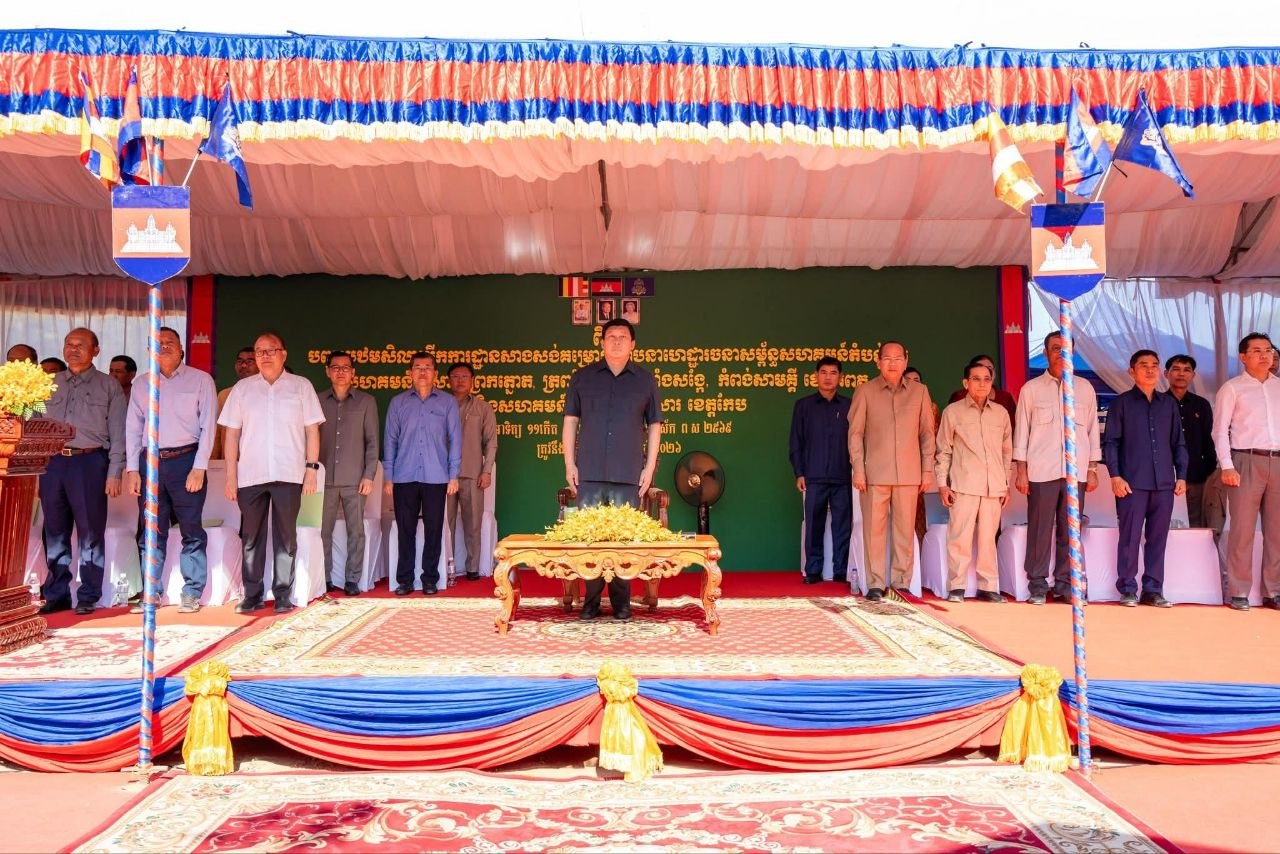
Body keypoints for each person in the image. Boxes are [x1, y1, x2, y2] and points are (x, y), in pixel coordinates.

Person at [563, 318, 662, 620]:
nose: (616, 341)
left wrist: (649, 467)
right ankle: (590, 602)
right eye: (611, 337)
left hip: (628, 472)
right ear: (602, 342)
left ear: (633, 344)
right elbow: (570, 421)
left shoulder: (645, 380)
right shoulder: (583, 378)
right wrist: (569, 464)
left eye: (622, 337)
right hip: (589, 472)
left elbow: (655, 425)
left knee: (624, 540)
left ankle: (621, 603)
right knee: (590, 540)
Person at [218, 332, 324, 615]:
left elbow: (312, 430)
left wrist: (311, 469)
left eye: (270, 350)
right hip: (250, 475)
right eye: (259, 351)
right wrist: (231, 476)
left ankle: (282, 595)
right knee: (251, 537)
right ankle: (252, 595)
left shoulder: (301, 386)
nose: (264, 356)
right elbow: (231, 434)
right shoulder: (242, 389)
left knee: (285, 538)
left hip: (289, 473)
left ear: (283, 354)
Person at [123, 327, 218, 613]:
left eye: (170, 343)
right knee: (152, 531)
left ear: (181, 349)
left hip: (186, 460)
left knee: (191, 529)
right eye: (158, 343)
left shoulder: (201, 380)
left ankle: (191, 592)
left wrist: (199, 467)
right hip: (149, 463)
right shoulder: (141, 384)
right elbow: (133, 428)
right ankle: (151, 592)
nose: (164, 347)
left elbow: (208, 427)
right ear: (149, 350)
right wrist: (132, 469)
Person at [37, 328, 126, 615]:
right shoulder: (47, 384)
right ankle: (57, 593)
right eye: (69, 344)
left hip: (89, 462)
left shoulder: (109, 386)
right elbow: (31, 422)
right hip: (52, 463)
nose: (73, 349)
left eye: (80, 345)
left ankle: (88, 594)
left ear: (95, 350)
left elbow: (119, 433)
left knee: (90, 531)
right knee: (55, 530)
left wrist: (114, 471)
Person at [1013, 332, 1101, 605]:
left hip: (1076, 472)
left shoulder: (1085, 388)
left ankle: (1065, 584)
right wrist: (1021, 470)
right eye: (1055, 348)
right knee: (1040, 529)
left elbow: (1092, 431)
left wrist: (1092, 469)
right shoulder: (1031, 389)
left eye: (1066, 349)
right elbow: (1022, 433)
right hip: (1042, 471)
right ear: (1046, 353)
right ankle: (1038, 585)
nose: (1061, 354)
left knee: (1069, 530)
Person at [847, 341, 935, 601]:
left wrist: (927, 470)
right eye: (887, 358)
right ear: (878, 362)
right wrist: (858, 469)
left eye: (898, 358)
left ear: (906, 361)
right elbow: (855, 434)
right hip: (874, 474)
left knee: (904, 532)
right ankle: (874, 584)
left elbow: (927, 434)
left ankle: (901, 584)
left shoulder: (919, 392)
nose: (893, 363)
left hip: (909, 473)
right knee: (873, 531)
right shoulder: (865, 391)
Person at [1103, 350, 1188, 608]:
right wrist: (1115, 476)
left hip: (1164, 483)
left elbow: (1178, 442)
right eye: (1143, 365)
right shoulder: (1121, 403)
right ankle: (1128, 588)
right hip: (1132, 482)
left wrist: (1182, 475)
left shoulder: (1168, 404)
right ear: (1132, 371)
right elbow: (1111, 443)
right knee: (1129, 537)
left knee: (1158, 539)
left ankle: (1152, 589)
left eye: (1154, 365)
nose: (1150, 370)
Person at [1212, 332, 1280, 611]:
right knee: (1242, 529)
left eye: (1269, 350)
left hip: (1278, 461)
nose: (1265, 355)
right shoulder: (1232, 388)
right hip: (1245, 460)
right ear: (1243, 357)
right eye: (1257, 351)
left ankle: (1273, 590)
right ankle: (1239, 591)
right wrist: (1227, 465)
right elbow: (1219, 431)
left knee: (1277, 531)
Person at [383, 352, 461, 596]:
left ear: (435, 373)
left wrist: (453, 475)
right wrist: (388, 476)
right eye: (418, 367)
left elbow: (455, 439)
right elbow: (390, 440)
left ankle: (430, 579)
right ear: (410, 373)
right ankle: (405, 580)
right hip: (404, 476)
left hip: (436, 476)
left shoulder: (448, 402)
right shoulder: (398, 403)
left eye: (428, 367)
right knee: (405, 529)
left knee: (434, 529)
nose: (423, 371)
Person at [934, 361, 1011, 603]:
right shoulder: (953, 412)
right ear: (965, 383)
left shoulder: (1001, 413)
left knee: (988, 541)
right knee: (959, 539)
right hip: (963, 485)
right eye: (976, 379)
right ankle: (956, 587)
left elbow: (1006, 452)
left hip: (993, 487)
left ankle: (988, 587)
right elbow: (943, 451)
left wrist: (1006, 484)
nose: (982, 384)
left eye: (986, 379)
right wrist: (942, 484)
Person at [318, 351, 379, 597]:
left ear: (353, 372)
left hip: (355, 479)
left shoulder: (366, 402)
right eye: (335, 367)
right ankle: (324, 578)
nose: (341, 372)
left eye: (346, 367)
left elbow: (372, 442)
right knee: (322, 531)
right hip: (324, 480)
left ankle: (352, 579)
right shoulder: (317, 401)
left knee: (356, 531)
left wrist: (369, 475)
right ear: (327, 371)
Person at [789, 356, 853, 585]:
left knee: (842, 526)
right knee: (814, 525)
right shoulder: (803, 406)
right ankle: (813, 571)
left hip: (842, 476)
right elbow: (796, 442)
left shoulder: (849, 406)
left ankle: (841, 570)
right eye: (823, 372)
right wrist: (799, 472)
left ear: (840, 377)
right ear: (816, 376)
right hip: (813, 476)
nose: (828, 377)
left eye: (833, 373)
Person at [446, 362, 497, 581]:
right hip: (443, 475)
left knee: (473, 523)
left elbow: (491, 443)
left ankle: (473, 567)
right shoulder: (440, 405)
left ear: (472, 381)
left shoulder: (483, 408)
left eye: (464, 377)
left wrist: (487, 471)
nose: (460, 381)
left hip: (472, 473)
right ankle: (445, 566)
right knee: (444, 523)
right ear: (448, 380)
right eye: (455, 377)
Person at [1164, 354, 1216, 529]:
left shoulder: (1201, 405)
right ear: (1166, 373)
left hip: (1195, 474)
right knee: (1163, 521)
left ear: (1193, 375)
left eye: (1187, 370)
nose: (1181, 374)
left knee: (1195, 522)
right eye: (1176, 369)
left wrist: (1208, 470)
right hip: (1164, 474)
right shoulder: (1158, 403)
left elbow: (1208, 439)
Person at [211, 346, 260, 460]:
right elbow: (217, 432)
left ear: (260, 364)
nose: (243, 365)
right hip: (229, 461)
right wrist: (214, 460)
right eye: (240, 361)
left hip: (258, 462)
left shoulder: (267, 394)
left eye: (250, 361)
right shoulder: (224, 394)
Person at [948, 354, 1018, 423]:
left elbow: (1013, 426)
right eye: (980, 367)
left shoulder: (1006, 398)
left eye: (989, 368)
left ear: (994, 373)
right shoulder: (959, 396)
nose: (985, 371)